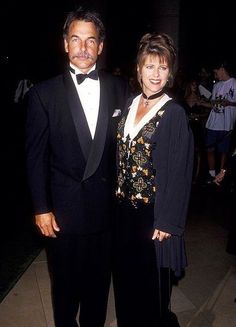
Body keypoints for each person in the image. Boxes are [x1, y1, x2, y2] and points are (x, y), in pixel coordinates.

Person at [25, 7, 129, 327]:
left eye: (90, 40)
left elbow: (125, 150)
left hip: (104, 211)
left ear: (100, 46)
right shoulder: (44, 94)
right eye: (76, 39)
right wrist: (41, 207)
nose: (83, 47)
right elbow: (35, 156)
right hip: (63, 213)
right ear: (65, 44)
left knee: (98, 290)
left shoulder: (119, 89)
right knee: (66, 292)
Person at [112, 33, 194, 327]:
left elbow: (180, 172)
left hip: (153, 215)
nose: (156, 74)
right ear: (138, 69)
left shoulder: (173, 113)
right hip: (123, 213)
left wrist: (167, 222)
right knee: (124, 281)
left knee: (151, 291)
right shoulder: (130, 104)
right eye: (150, 66)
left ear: (170, 71)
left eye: (162, 67)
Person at [205, 60, 236, 183]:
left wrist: (229, 103)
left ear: (222, 69)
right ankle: (211, 175)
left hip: (226, 124)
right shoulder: (216, 85)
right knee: (209, 149)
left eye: (215, 72)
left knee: (224, 151)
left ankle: (221, 176)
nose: (214, 75)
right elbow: (213, 102)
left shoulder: (234, 83)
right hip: (213, 123)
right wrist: (203, 103)